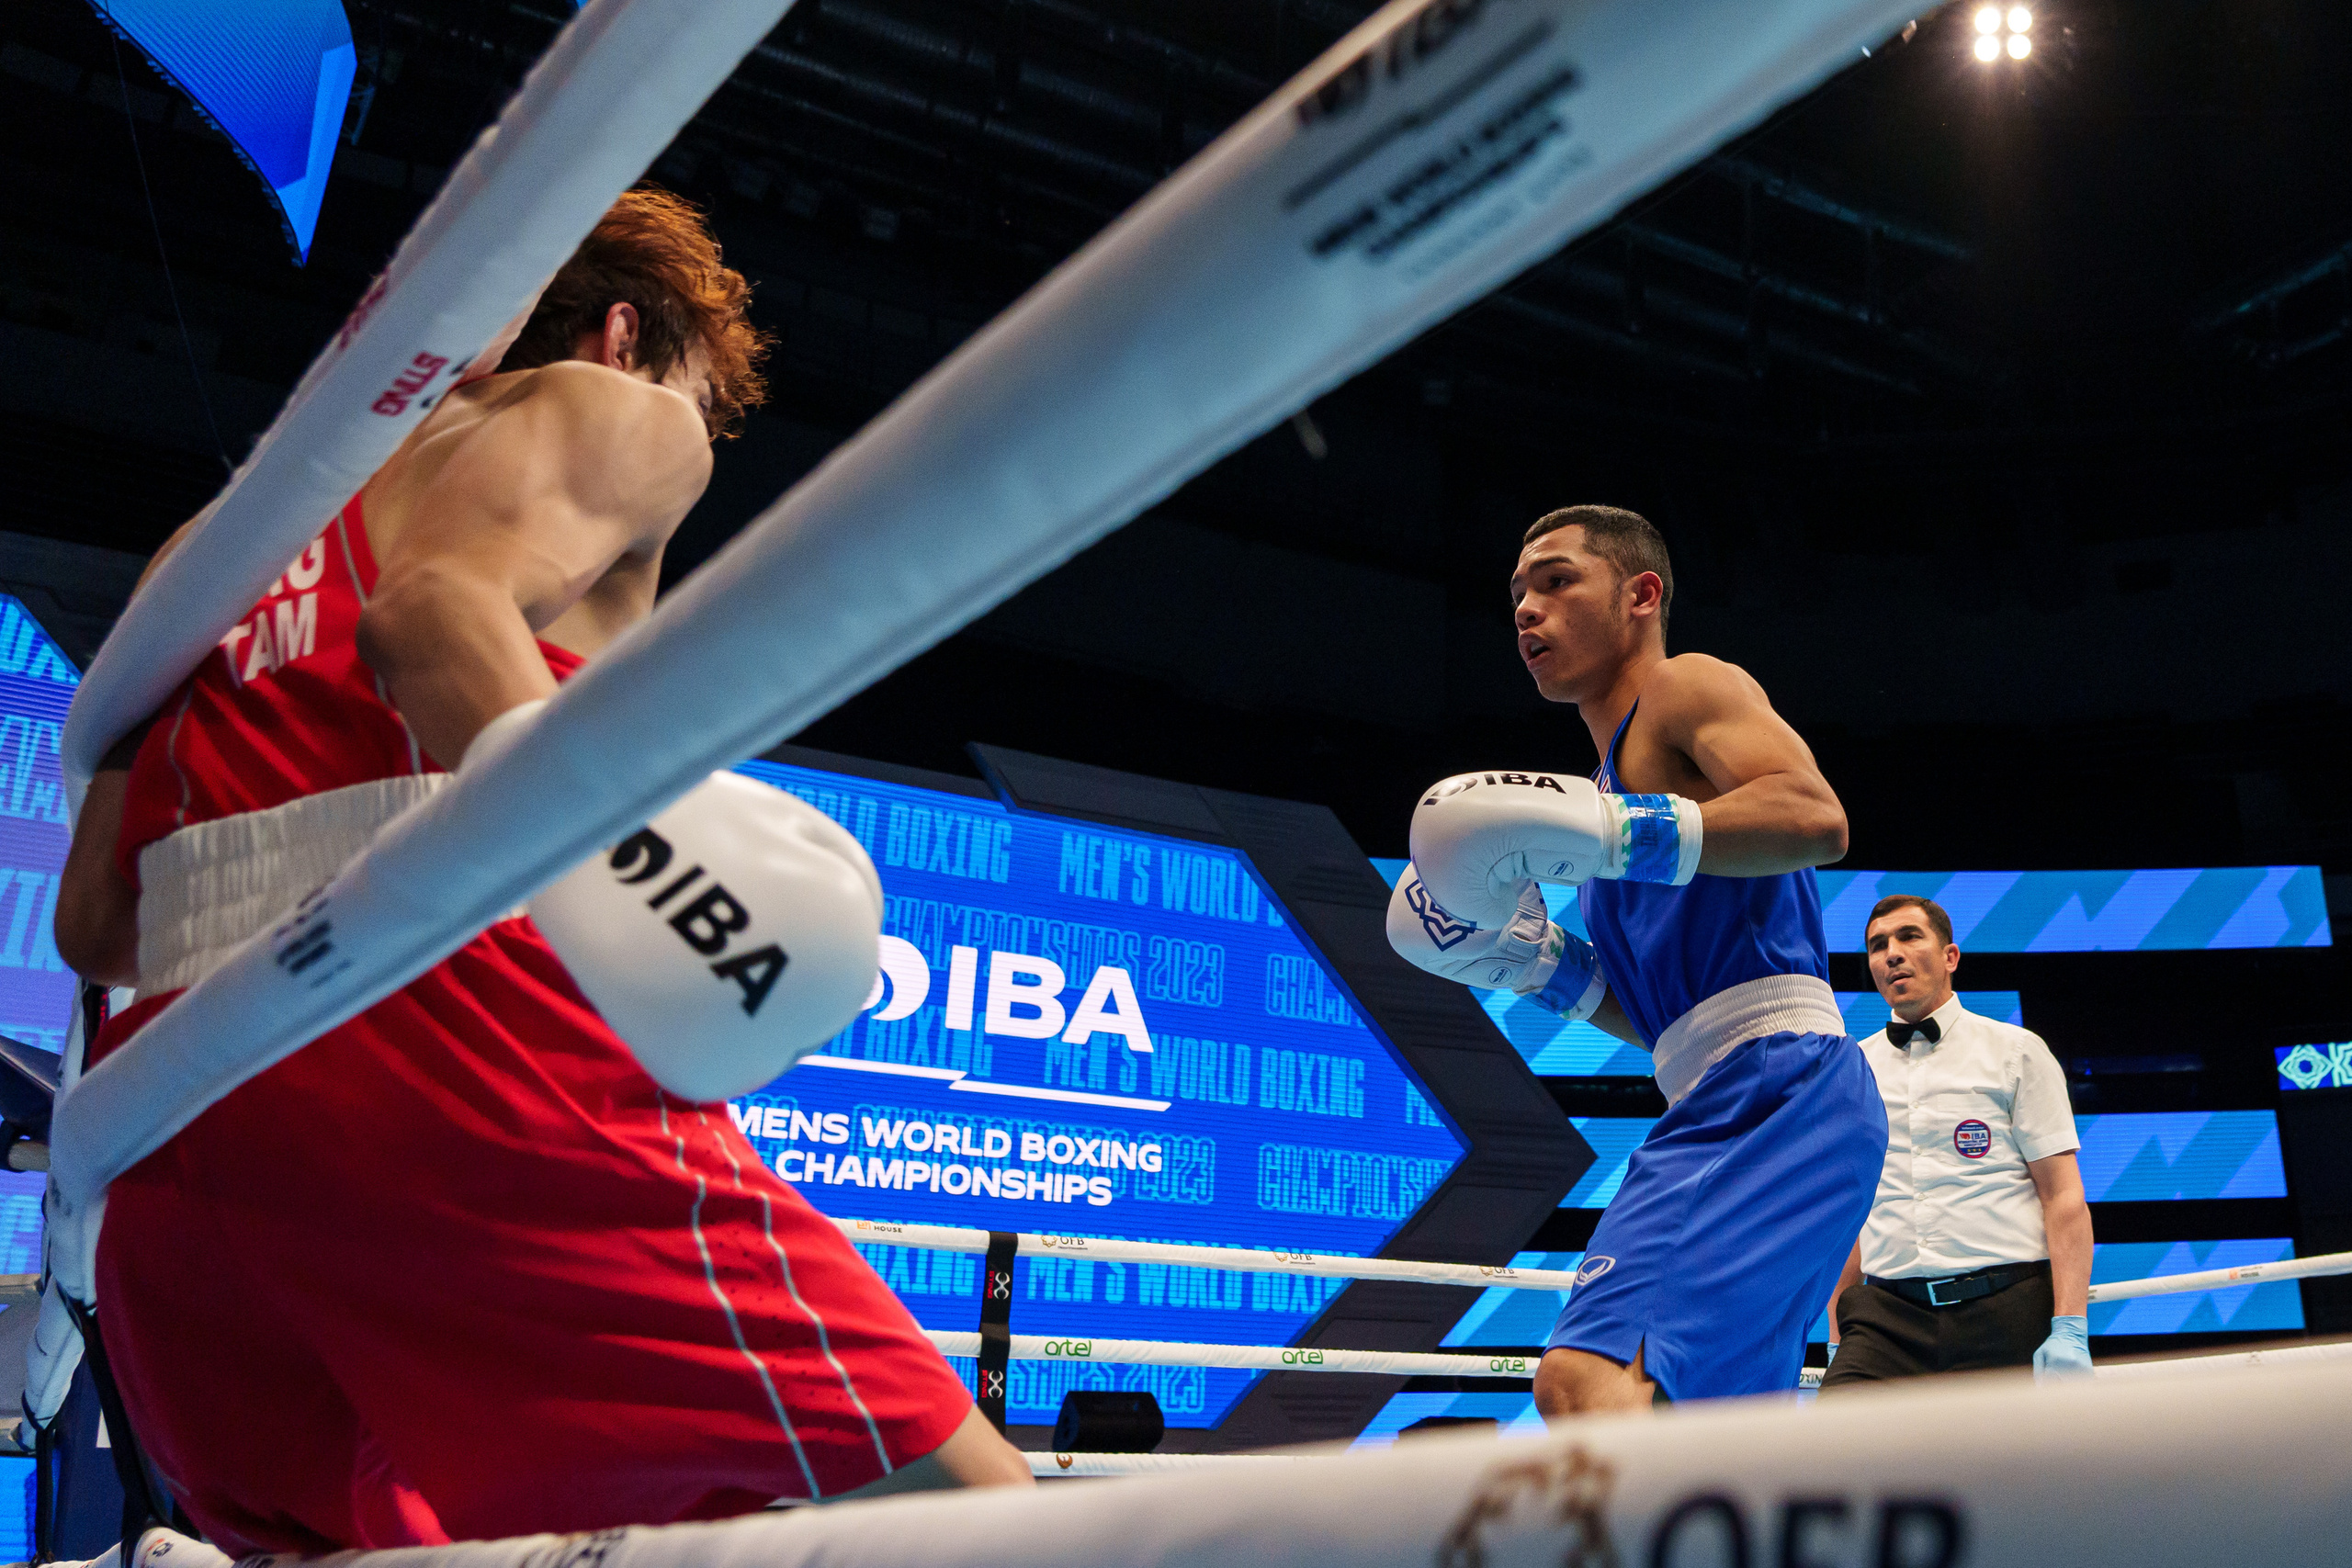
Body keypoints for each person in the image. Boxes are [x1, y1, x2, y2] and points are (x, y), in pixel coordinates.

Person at [53, 188, 1027, 1557]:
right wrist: (650, 895)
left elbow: (93, 920)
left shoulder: (219, 544)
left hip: (172, 1140)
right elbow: (434, 613)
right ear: (625, 331)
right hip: (433, 1040)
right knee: (984, 1522)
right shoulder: (612, 407)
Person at [1385, 504, 1885, 1413]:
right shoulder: (1600, 827)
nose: (1526, 610)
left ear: (1641, 593)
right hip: (1730, 1088)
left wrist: (1622, 831)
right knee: (1703, 1430)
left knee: (1585, 1382)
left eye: (1556, 579)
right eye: (1516, 595)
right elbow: (1670, 1025)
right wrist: (1536, 968)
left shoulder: (1686, 689)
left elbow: (1818, 820)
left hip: (1777, 1085)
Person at [1819, 895, 2095, 1390]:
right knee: (1837, 1457)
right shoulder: (1852, 1071)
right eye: (1878, 945)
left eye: (1909, 936)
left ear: (1951, 957)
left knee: (2001, 1466)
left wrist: (2070, 1325)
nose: (1892, 954)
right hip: (1885, 1318)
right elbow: (1846, 1215)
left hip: (2004, 1304)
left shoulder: (2016, 1052)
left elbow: (2063, 1197)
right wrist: (1838, 1332)